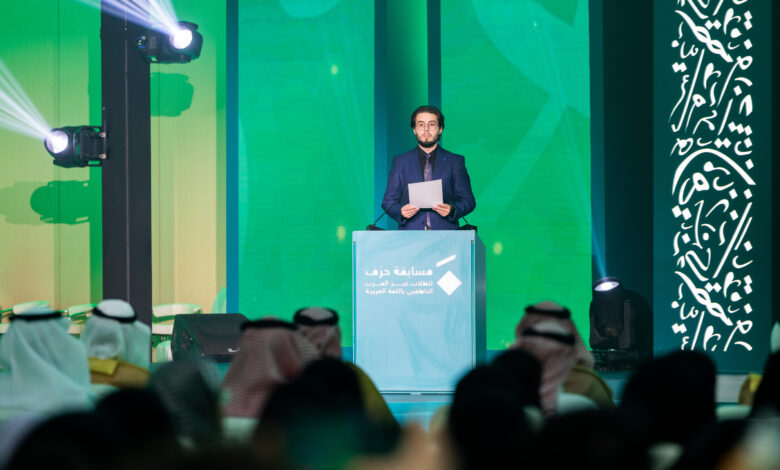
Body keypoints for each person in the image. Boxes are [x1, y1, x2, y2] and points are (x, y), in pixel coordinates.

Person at [382, 105, 476, 230]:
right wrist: (400, 211)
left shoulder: (455, 162)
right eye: (421, 124)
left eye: (432, 124)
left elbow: (468, 201)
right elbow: (388, 202)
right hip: (410, 235)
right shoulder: (401, 162)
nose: (426, 129)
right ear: (414, 129)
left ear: (440, 129)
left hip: (446, 235)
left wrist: (452, 210)